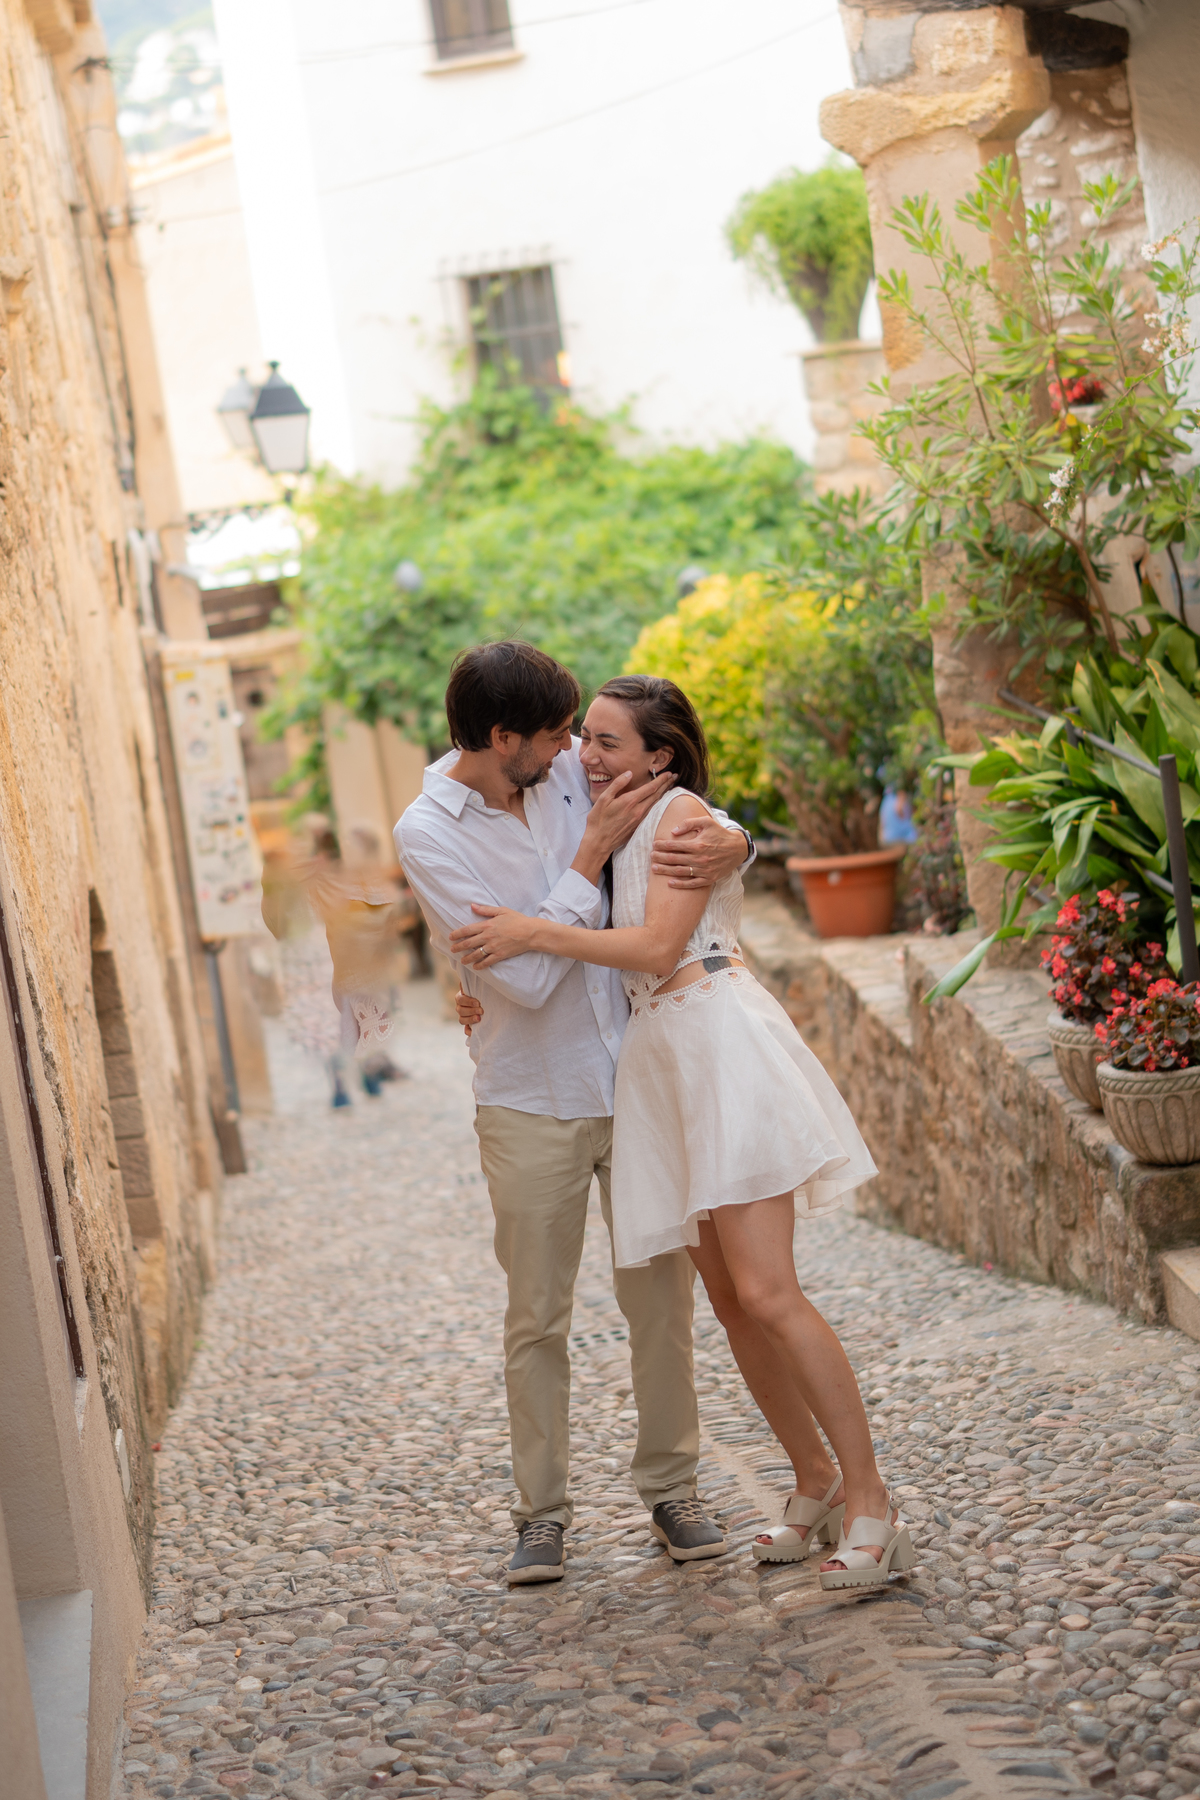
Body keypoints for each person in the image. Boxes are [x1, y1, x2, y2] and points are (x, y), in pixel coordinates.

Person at [450, 675, 913, 1592]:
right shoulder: (603, 804)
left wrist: (531, 934)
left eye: (611, 742)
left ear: (658, 755)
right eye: (586, 738)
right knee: (732, 1305)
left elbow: (661, 949)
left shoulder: (681, 816)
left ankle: (872, 1501)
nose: (588, 754)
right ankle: (813, 1479)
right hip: (656, 1068)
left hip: (714, 1047)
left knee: (770, 1290)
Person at [395, 642, 753, 1584]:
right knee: (537, 1318)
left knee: (660, 1305)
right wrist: (585, 861)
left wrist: (737, 841)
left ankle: (672, 1487)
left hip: (635, 1077)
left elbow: (684, 812)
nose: (573, 755)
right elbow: (520, 978)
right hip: (528, 1097)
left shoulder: (563, 778)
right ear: (500, 739)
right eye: (554, 737)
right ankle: (541, 1514)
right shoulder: (426, 831)